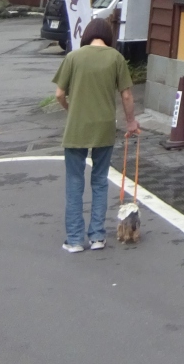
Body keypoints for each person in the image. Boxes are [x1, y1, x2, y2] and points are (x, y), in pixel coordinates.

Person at [53, 18, 140, 253]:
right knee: (100, 181)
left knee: (74, 181)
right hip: (104, 128)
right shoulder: (116, 58)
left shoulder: (73, 57)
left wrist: (70, 109)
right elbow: (126, 96)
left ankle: (74, 240)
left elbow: (59, 93)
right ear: (108, 36)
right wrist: (131, 122)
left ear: (87, 35)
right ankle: (97, 237)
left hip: (77, 128)